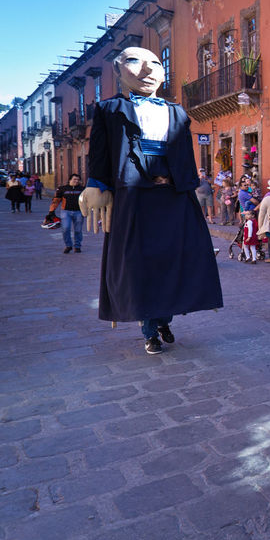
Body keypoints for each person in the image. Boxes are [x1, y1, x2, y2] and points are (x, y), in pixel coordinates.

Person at [82, 46, 223, 355]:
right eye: (134, 61)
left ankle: (163, 319)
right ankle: (150, 331)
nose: (148, 69)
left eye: (157, 62)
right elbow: (100, 152)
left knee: (176, 263)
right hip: (134, 199)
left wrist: (194, 192)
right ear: (118, 72)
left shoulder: (178, 113)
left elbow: (186, 155)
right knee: (139, 268)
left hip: (173, 199)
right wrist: (97, 184)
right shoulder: (108, 109)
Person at [55, 174, 85, 253]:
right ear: (69, 180)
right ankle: (68, 245)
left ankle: (77, 246)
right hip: (65, 212)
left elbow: (87, 200)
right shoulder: (62, 189)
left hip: (79, 212)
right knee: (66, 228)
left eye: (78, 180)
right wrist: (51, 211)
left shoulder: (83, 189)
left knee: (78, 230)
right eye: (74, 179)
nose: (76, 181)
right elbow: (56, 200)